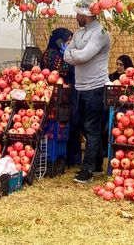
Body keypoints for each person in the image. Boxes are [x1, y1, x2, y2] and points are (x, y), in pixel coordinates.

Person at [64, 0, 111, 184]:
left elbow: (83, 55)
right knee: (86, 126)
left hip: (96, 87)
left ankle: (88, 169)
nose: (76, 16)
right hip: (81, 86)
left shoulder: (100, 32)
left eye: (78, 13)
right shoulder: (79, 33)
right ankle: (97, 164)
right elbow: (67, 54)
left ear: (86, 14)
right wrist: (75, 55)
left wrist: (74, 54)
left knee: (91, 127)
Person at [41, 28, 80, 167]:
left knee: (72, 123)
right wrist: (67, 58)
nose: (69, 43)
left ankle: (72, 159)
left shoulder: (65, 54)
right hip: (54, 96)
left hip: (65, 95)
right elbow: (60, 71)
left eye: (70, 41)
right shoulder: (51, 53)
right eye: (67, 40)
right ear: (59, 41)